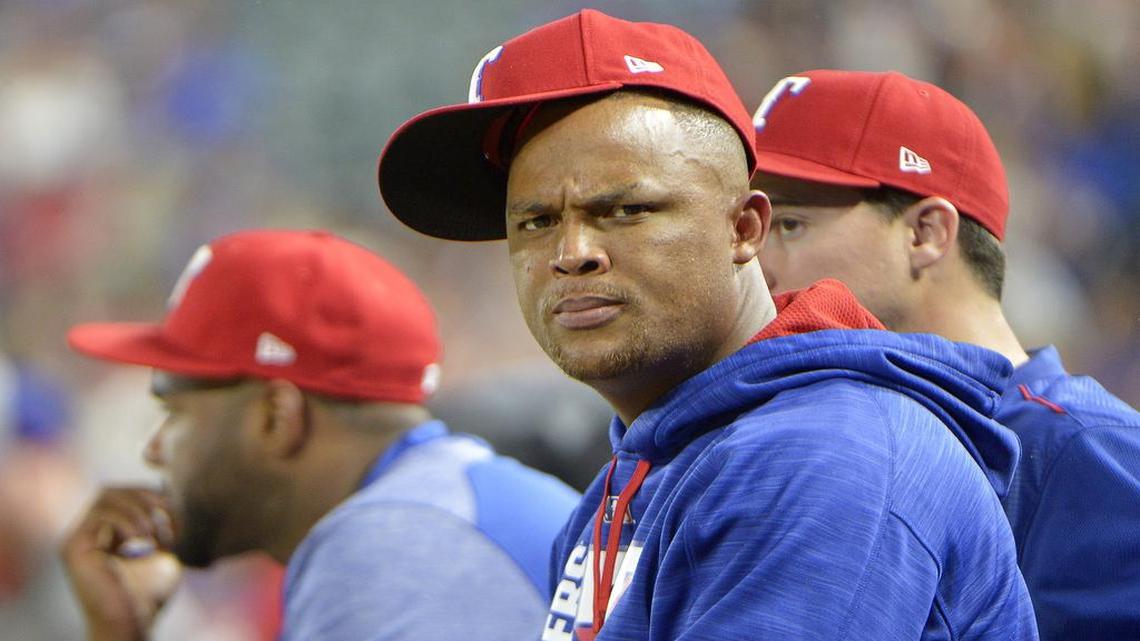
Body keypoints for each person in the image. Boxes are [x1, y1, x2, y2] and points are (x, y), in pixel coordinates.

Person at [377, 10, 1037, 641]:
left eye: (627, 209)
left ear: (745, 228)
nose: (570, 252)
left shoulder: (824, 454)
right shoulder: (648, 468)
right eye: (535, 221)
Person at [750, 69, 1140, 641]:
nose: (756, 263)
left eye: (789, 223)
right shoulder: (810, 440)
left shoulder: (1088, 453)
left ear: (926, 233)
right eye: (751, 227)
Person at [61, 229, 579, 641]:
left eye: (174, 413)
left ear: (275, 417)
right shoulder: (434, 507)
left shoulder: (396, 547)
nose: (153, 449)